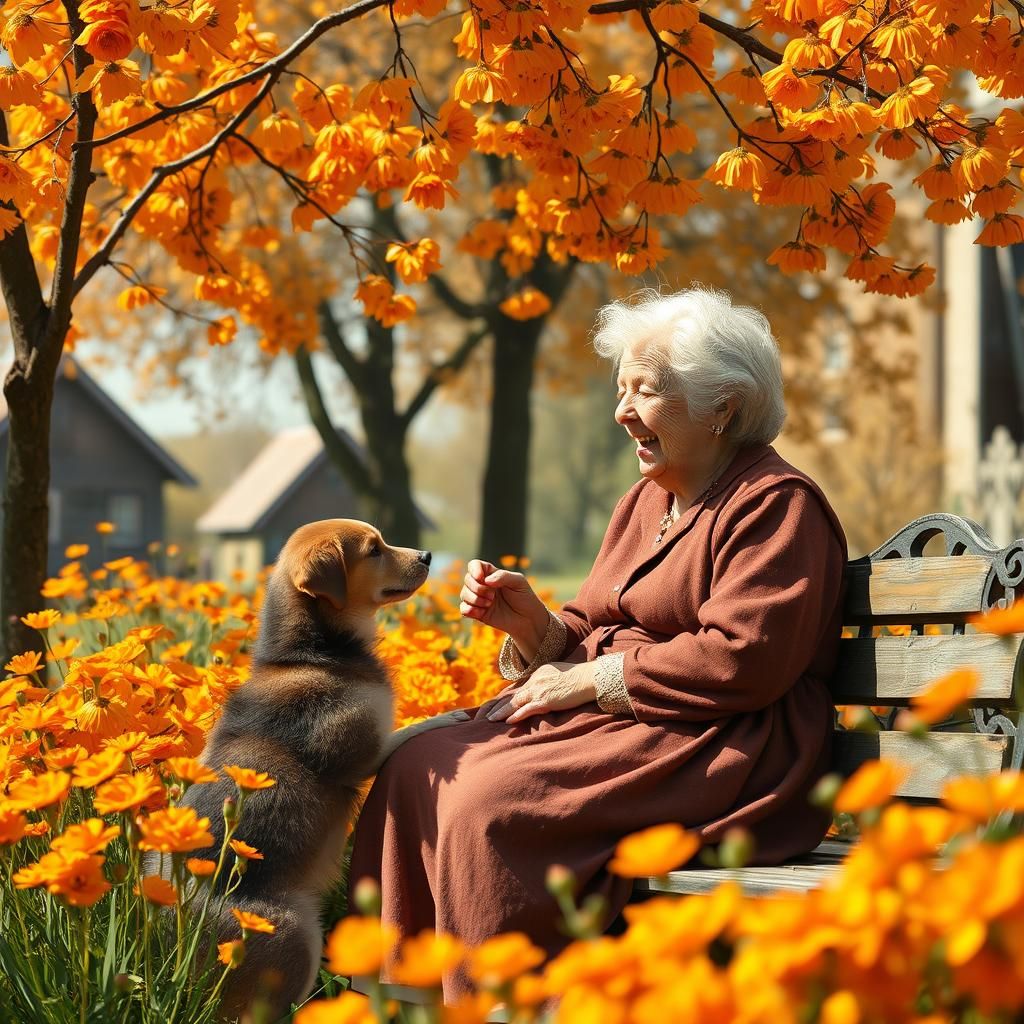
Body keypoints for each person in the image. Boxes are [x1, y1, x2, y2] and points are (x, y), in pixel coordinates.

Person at [347, 286, 847, 1000]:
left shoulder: (775, 503)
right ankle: (412, 1001)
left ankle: (512, 1002)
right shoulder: (645, 501)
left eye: (644, 391)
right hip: (637, 722)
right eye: (622, 391)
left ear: (722, 407)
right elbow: (589, 624)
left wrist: (588, 681)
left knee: (492, 798)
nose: (622, 413)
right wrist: (531, 627)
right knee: (421, 766)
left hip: (725, 741)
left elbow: (745, 659)